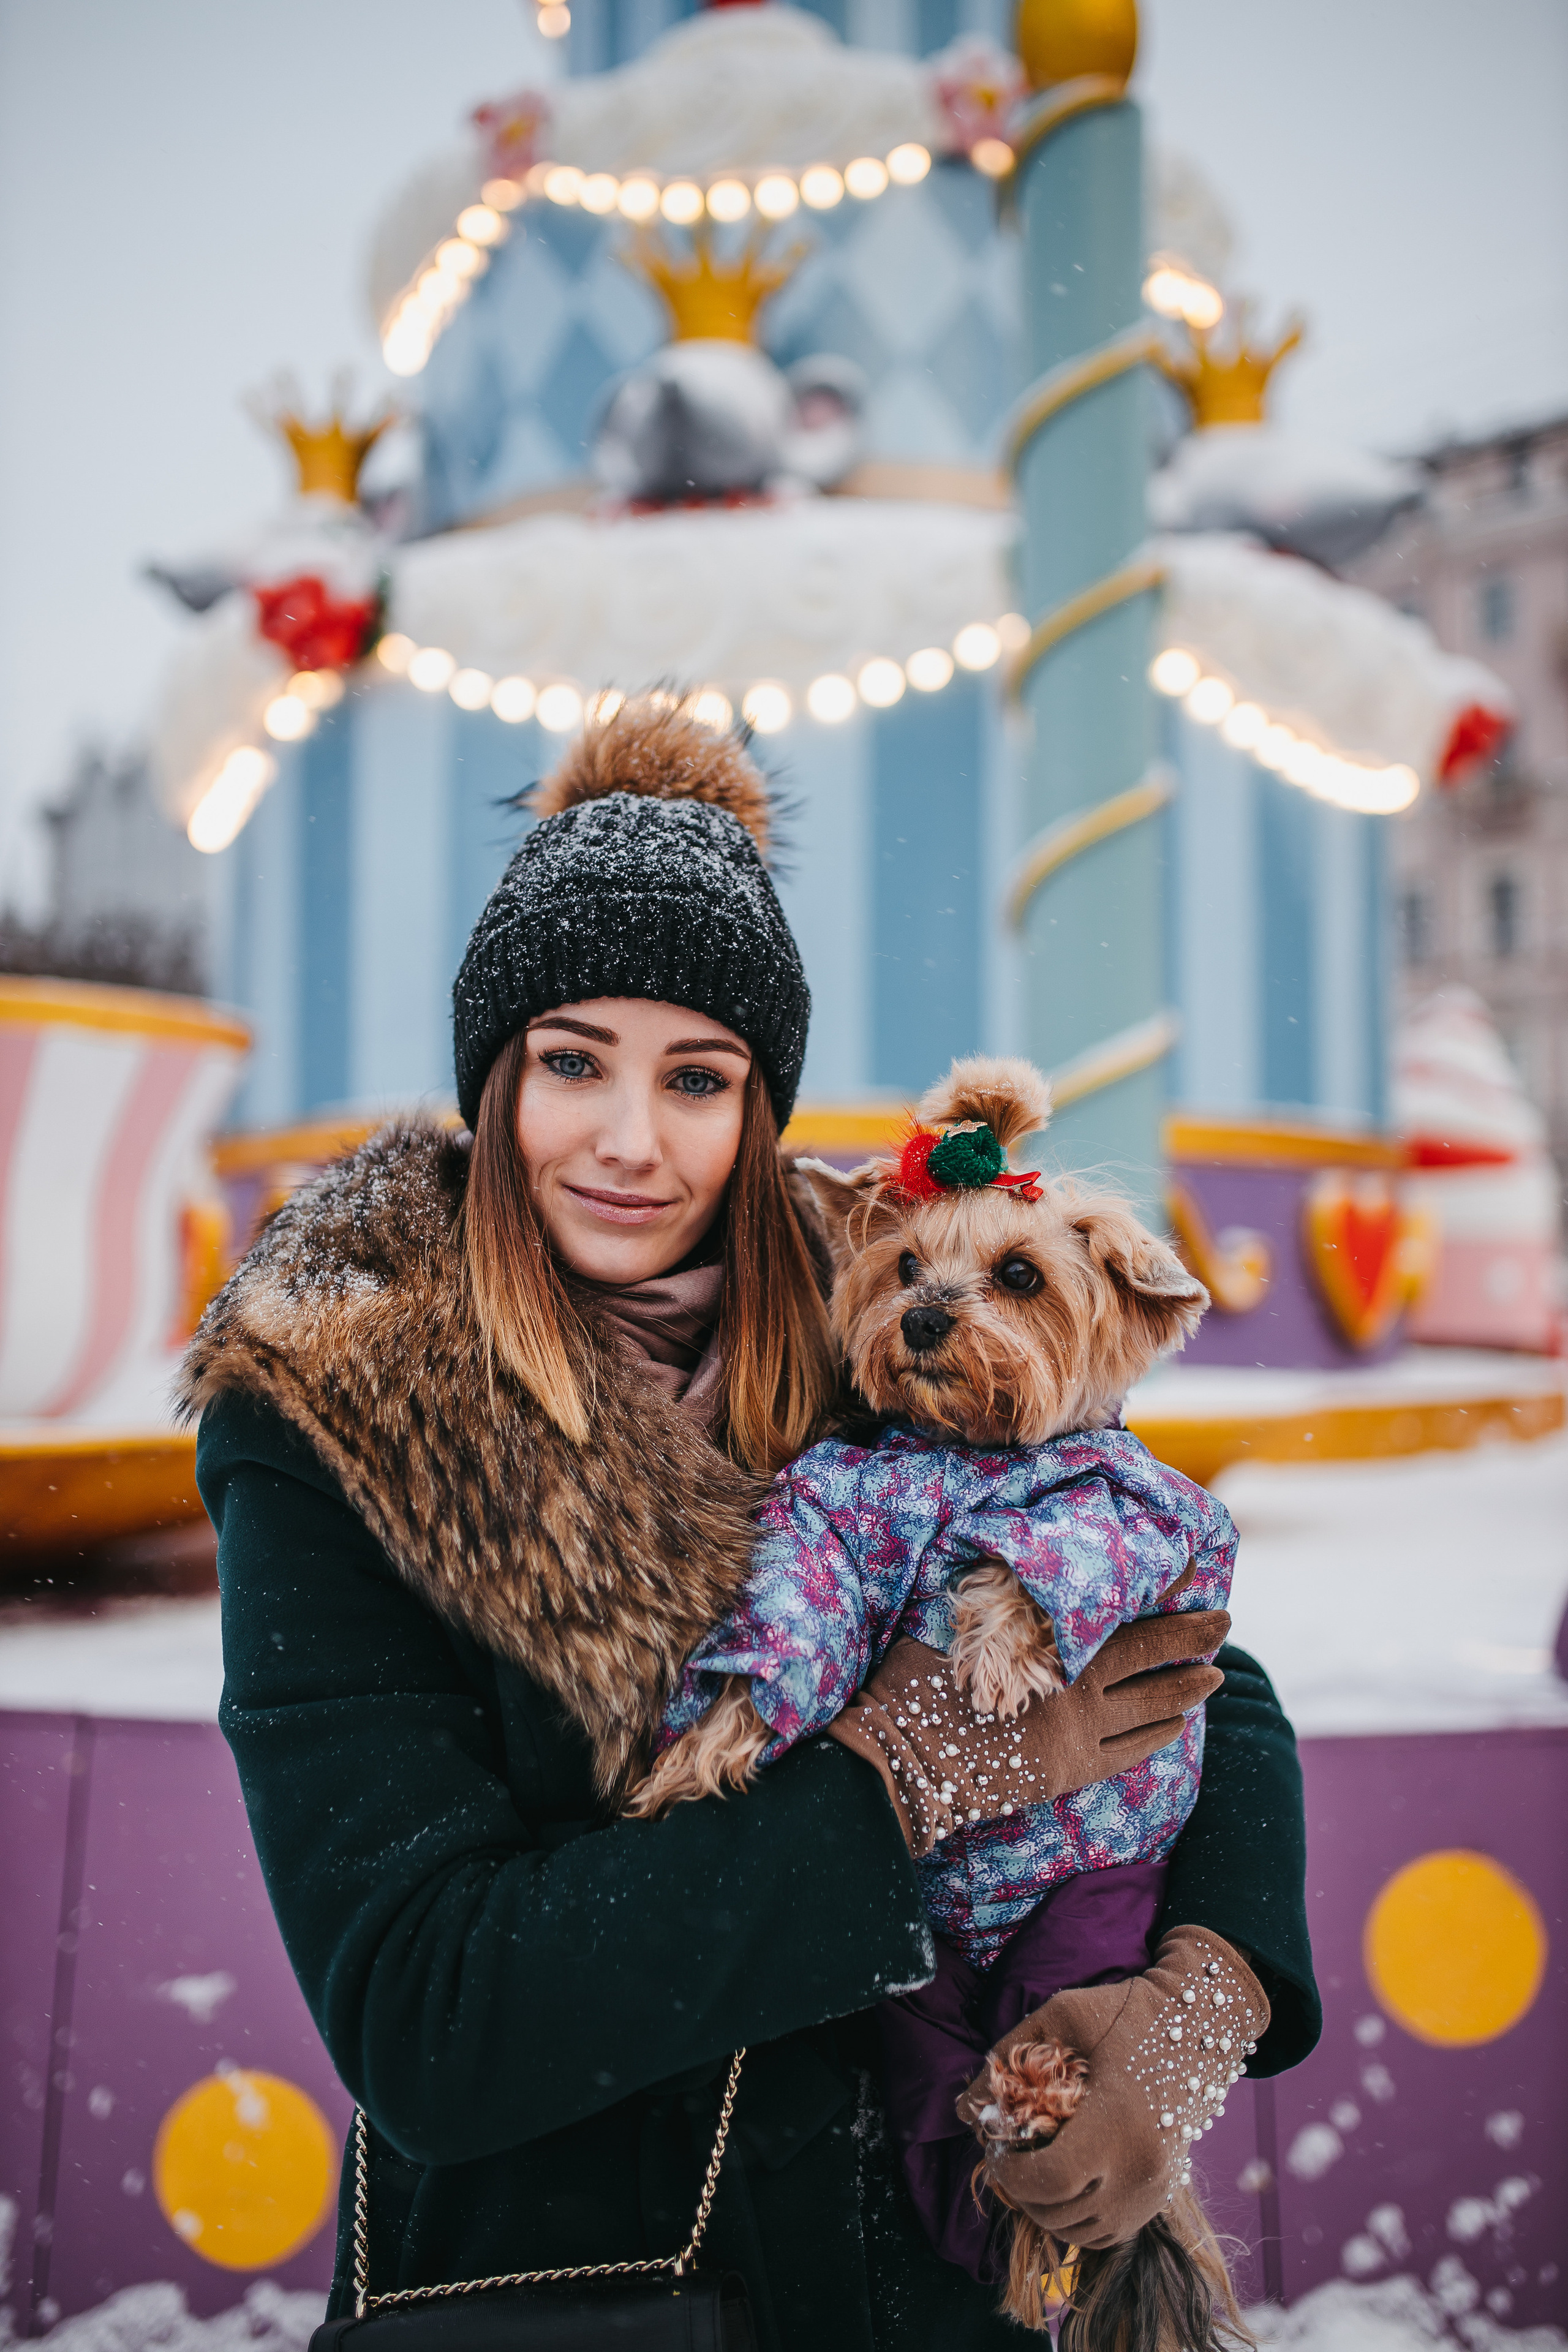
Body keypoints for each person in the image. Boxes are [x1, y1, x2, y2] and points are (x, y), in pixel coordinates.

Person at [185, 700, 1319, 2350]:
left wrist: (1194, 2005)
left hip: (924, 2292)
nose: (632, 1141)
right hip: (596, 2288)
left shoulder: (872, 1324)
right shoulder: (334, 1420)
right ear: (493, 1076)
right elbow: (430, 2011)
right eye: (573, 1061)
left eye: (698, 1078)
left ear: (758, 1105)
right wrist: (894, 1784)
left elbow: (1198, 1669)